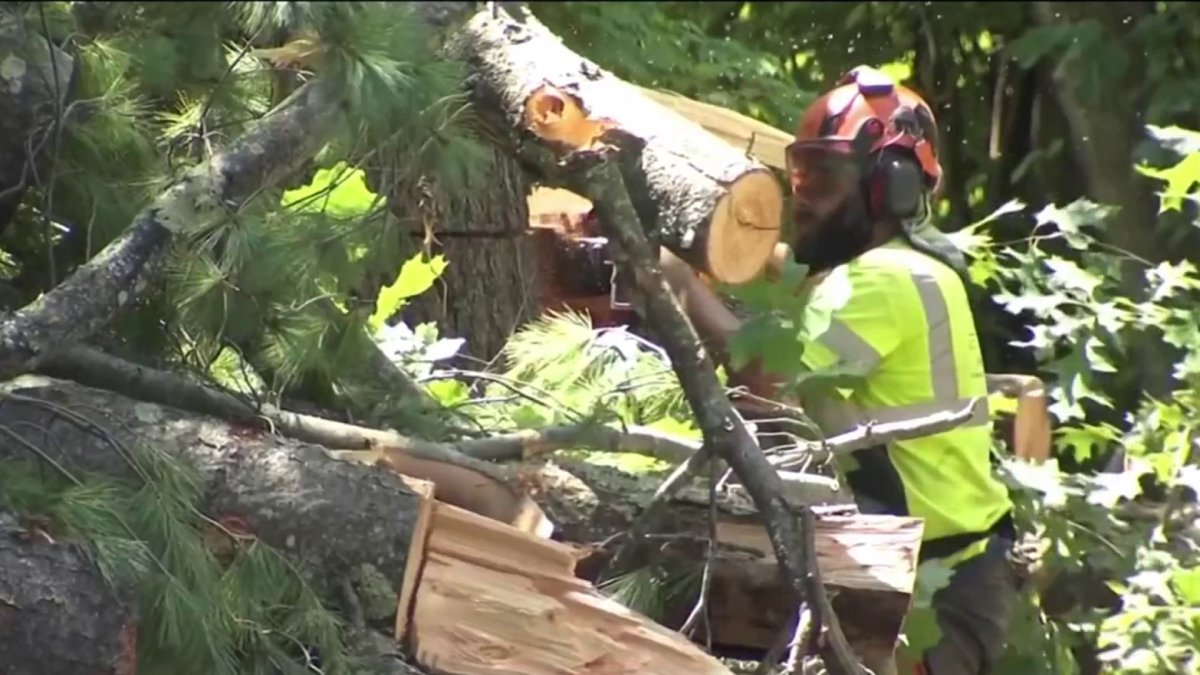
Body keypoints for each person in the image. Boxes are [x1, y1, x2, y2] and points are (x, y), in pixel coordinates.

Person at [657, 65, 1021, 675]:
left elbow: (767, 392)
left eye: (823, 179)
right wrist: (726, 249)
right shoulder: (913, 266)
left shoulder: (875, 281)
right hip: (951, 569)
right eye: (800, 173)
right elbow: (805, 277)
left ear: (889, 186)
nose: (802, 196)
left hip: (927, 591)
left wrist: (678, 289)